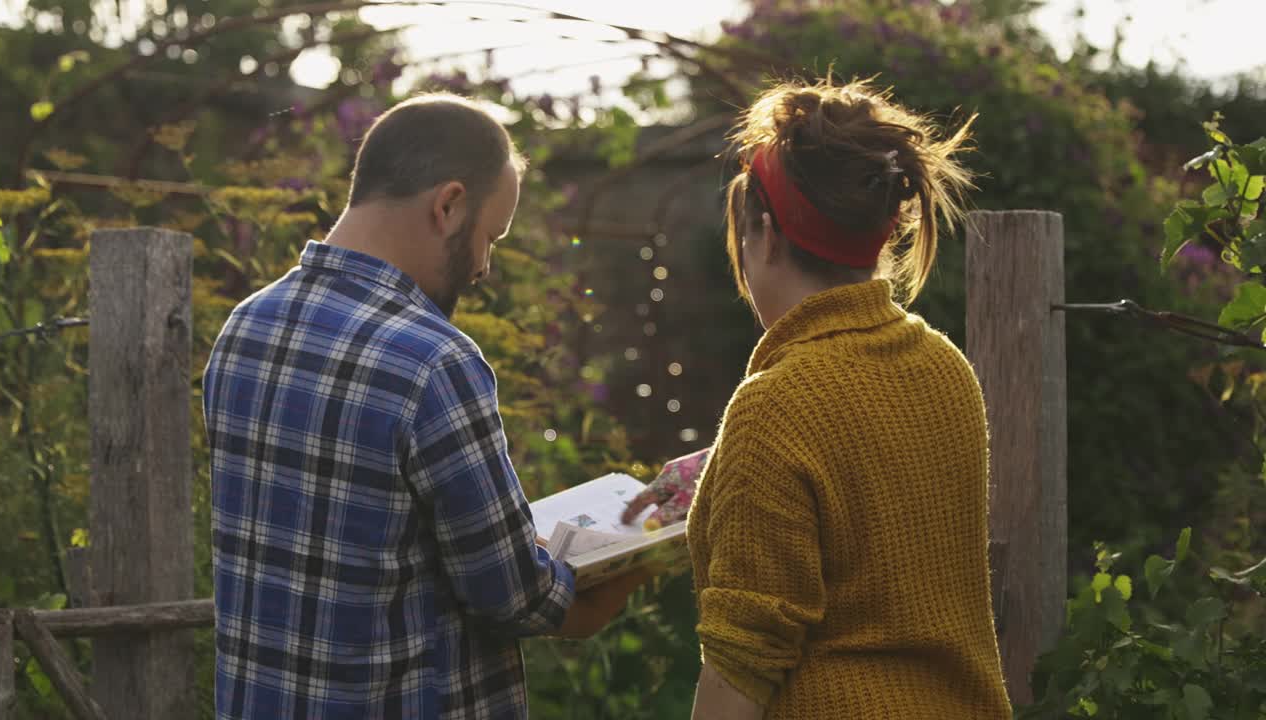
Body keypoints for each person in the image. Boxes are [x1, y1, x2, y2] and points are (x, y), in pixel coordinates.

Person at [203, 93, 645, 720]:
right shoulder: (434, 361)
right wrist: (634, 559)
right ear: (448, 205)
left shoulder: (245, 327)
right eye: (491, 236)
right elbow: (512, 596)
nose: (485, 265)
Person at [625, 77, 1011, 719]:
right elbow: (875, 479)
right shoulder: (944, 367)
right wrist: (718, 473)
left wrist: (749, 448)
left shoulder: (776, 406)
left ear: (767, 236)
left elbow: (743, 662)